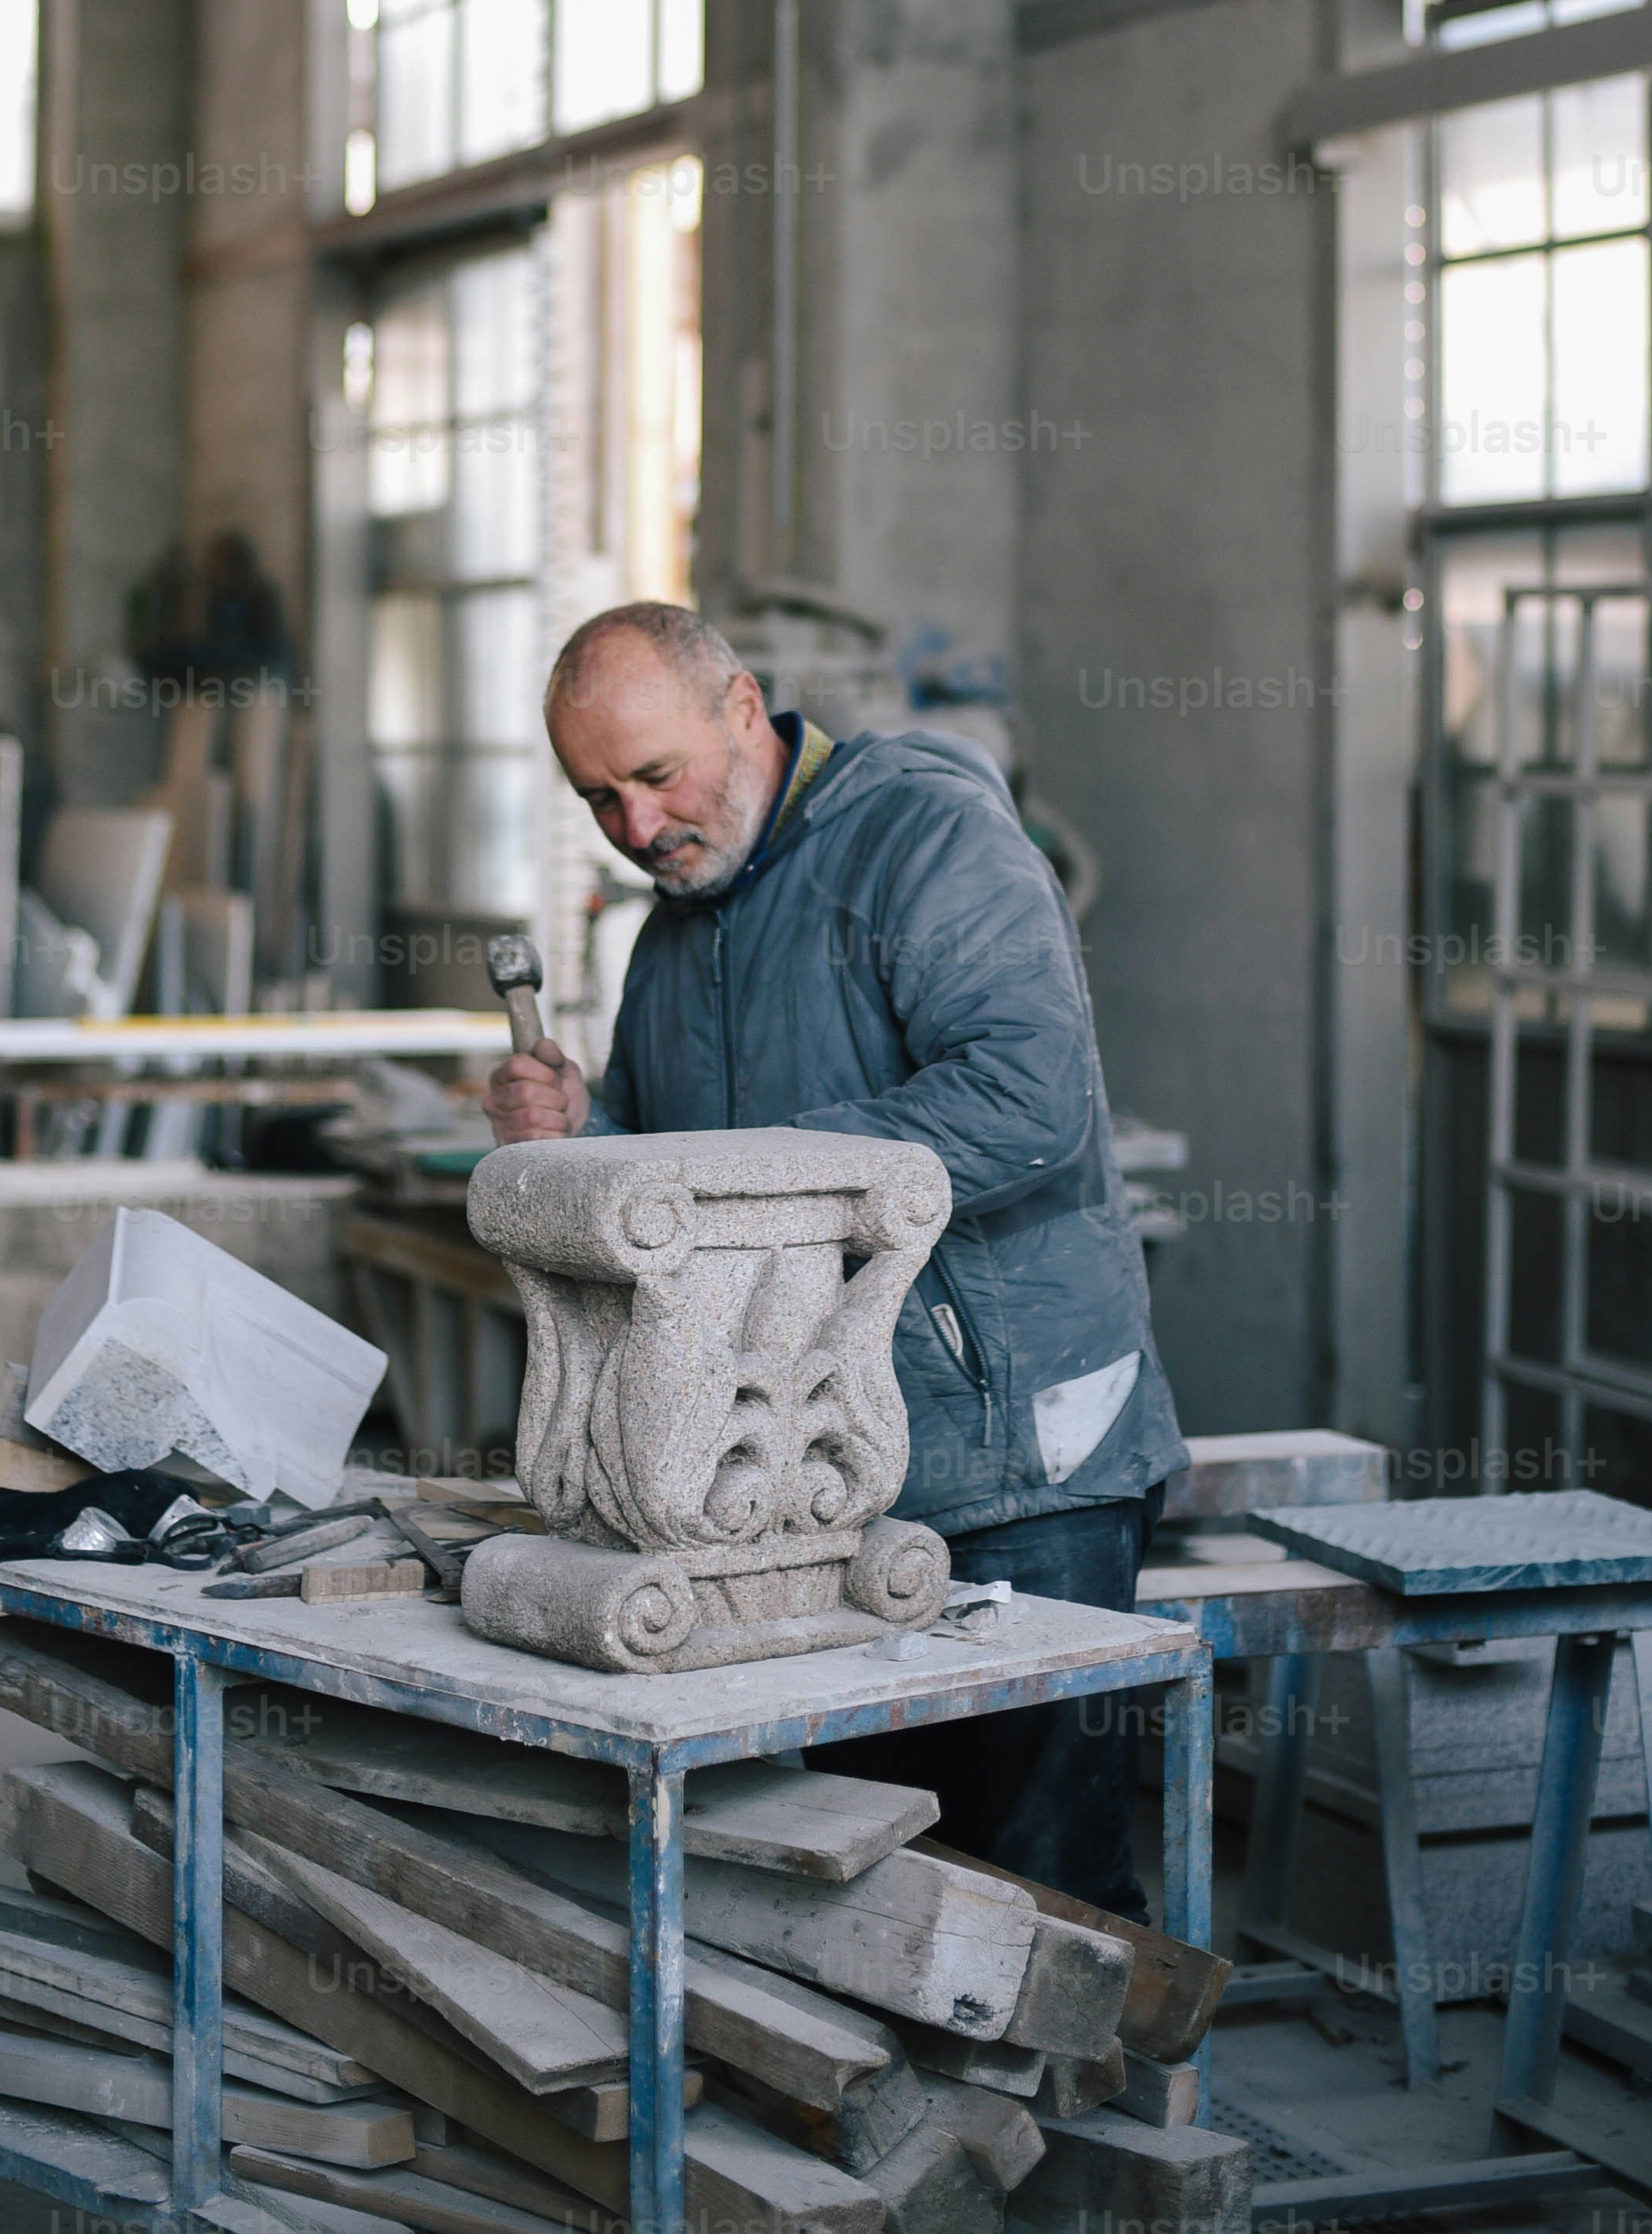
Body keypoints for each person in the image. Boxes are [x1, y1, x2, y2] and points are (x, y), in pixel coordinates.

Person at [483, 598, 1183, 1912]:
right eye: (597, 798)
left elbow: (1029, 1100)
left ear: (743, 709)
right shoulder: (673, 932)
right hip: (816, 1476)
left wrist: (743, 1175)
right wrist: (584, 1138)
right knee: (872, 1885)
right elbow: (670, 1187)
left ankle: (1097, 2122)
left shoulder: (924, 836)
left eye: (655, 775)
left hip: (1015, 1453)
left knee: (1040, 1891)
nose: (637, 828)